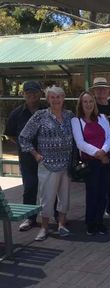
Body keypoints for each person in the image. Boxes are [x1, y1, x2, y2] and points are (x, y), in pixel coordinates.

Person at [19, 86, 74, 241]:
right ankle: (44, 228)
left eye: (59, 97)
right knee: (47, 198)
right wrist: (36, 155)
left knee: (64, 197)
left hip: (67, 164)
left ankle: (61, 225)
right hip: (47, 164)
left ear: (63, 98)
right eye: (52, 97)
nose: (56, 100)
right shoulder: (40, 116)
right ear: (48, 99)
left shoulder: (70, 115)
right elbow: (24, 137)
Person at [4, 81, 46, 231]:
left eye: (35, 92)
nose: (32, 95)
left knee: (50, 187)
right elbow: (10, 134)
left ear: (40, 94)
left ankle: (53, 217)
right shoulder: (16, 113)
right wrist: (25, 146)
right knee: (30, 186)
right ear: (24, 95)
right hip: (27, 157)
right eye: (29, 93)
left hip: (47, 156)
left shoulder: (48, 110)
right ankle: (30, 218)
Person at [71, 91, 110, 235]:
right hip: (91, 163)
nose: (88, 104)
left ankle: (100, 221)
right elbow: (80, 143)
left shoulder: (102, 117)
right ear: (81, 104)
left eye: (90, 101)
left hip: (106, 160)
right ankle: (90, 223)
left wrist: (103, 151)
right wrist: (99, 154)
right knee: (92, 193)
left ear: (94, 103)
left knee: (103, 193)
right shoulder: (76, 120)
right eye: (85, 102)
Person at [90, 77, 110, 219]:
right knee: (96, 181)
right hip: (95, 152)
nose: (102, 91)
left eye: (104, 88)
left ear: (109, 90)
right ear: (94, 91)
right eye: (98, 88)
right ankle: (97, 209)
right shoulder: (91, 107)